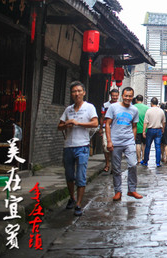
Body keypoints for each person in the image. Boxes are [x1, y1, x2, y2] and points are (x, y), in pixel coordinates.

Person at [57, 81, 99, 216]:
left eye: (79, 91)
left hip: (82, 146)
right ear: (71, 94)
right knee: (69, 175)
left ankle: (79, 204)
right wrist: (67, 124)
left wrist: (78, 123)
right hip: (68, 146)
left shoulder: (89, 107)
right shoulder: (68, 109)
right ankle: (72, 197)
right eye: (74, 91)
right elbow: (59, 126)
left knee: (80, 176)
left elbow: (95, 123)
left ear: (84, 93)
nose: (77, 94)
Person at [105, 87, 143, 201]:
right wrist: (109, 140)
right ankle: (118, 191)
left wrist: (133, 139)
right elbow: (107, 124)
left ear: (133, 97)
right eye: (126, 96)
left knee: (132, 164)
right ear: (122, 96)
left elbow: (134, 126)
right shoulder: (113, 107)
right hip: (115, 141)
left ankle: (132, 190)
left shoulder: (134, 110)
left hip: (129, 141)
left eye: (130, 96)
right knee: (116, 168)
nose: (128, 98)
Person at [142, 97, 165, 167]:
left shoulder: (148, 111)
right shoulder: (161, 111)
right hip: (158, 130)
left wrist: (143, 131)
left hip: (150, 130)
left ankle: (145, 161)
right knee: (157, 147)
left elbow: (145, 122)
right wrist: (163, 129)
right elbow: (163, 122)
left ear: (151, 103)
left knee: (148, 146)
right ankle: (158, 162)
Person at [100, 88, 119, 173]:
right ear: (110, 95)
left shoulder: (120, 105)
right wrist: (100, 128)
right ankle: (107, 164)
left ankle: (113, 166)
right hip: (105, 127)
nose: (114, 97)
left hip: (115, 128)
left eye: (116, 96)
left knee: (114, 148)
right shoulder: (105, 105)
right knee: (105, 146)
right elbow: (102, 116)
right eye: (113, 96)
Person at [133, 94, 149, 163]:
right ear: (142, 100)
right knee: (144, 144)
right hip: (145, 129)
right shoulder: (147, 108)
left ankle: (138, 159)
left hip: (136, 128)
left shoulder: (133, 107)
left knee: (138, 143)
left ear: (136, 100)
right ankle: (143, 157)